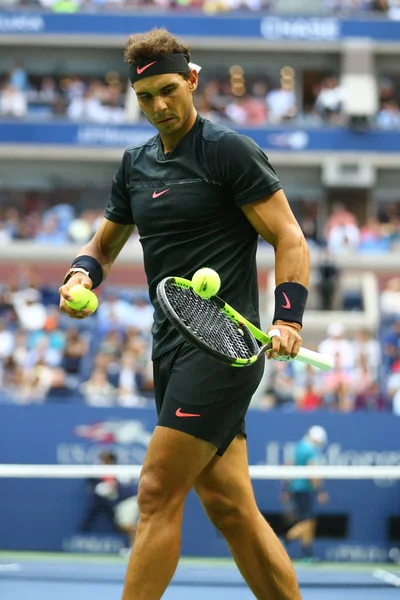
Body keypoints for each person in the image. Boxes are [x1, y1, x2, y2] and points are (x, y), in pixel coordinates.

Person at [59, 28, 310, 600]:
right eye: (145, 98)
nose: (159, 107)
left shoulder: (228, 152)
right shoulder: (136, 165)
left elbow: (290, 238)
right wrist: (80, 274)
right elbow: (102, 246)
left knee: (154, 491)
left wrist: (288, 317)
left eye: (169, 91)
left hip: (227, 350)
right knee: (230, 508)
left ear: (192, 79)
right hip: (171, 348)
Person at [281, 426, 329, 562]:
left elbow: (288, 465)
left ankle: (307, 553)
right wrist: (320, 491)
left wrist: (285, 487)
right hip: (305, 489)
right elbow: (313, 471)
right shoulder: (310, 449)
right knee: (308, 522)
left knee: (309, 521)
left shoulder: (297, 446)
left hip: (296, 489)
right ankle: (282, 542)